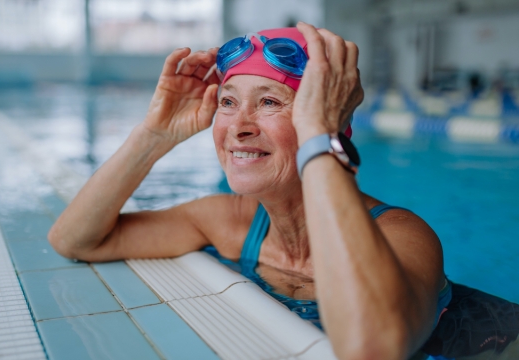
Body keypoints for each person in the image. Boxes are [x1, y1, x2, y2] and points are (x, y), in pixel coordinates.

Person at [48, 23, 448, 359]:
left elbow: (374, 348)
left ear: (328, 124)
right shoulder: (231, 221)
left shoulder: (400, 235)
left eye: (270, 102)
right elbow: (76, 240)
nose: (239, 126)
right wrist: (155, 135)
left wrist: (318, 137)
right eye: (228, 102)